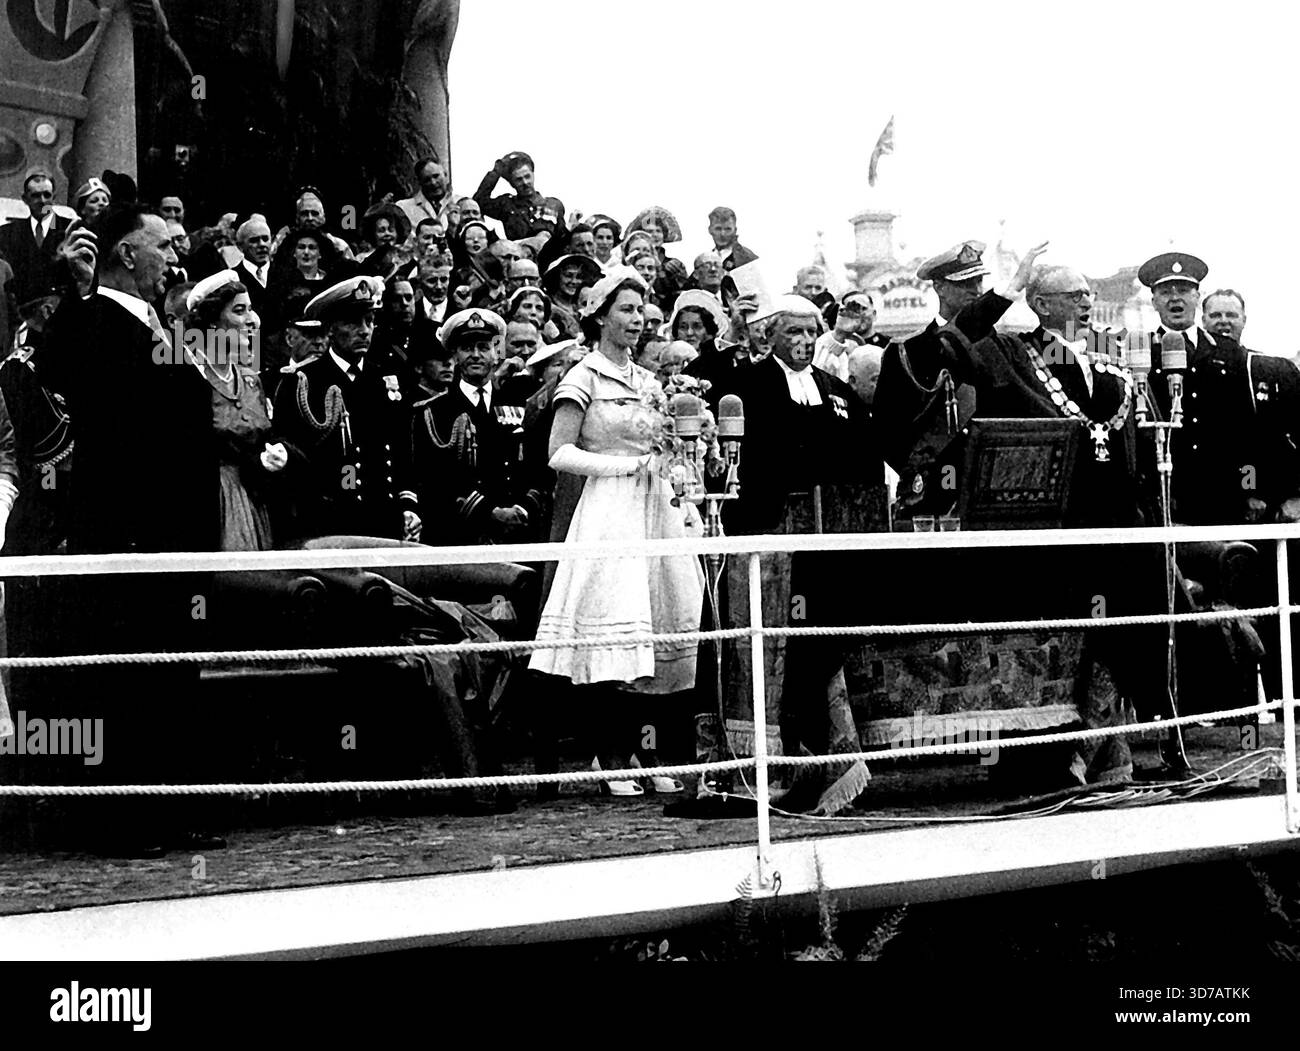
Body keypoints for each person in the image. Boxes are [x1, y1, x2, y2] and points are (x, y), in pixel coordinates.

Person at [875, 259, 1169, 783]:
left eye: (1087, 292)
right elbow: (945, 350)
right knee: (1057, 645)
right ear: (1040, 303)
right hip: (1051, 529)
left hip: (1118, 521)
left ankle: (1112, 747)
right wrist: (1000, 295)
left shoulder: (1113, 355)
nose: (1085, 302)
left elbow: (1136, 435)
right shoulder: (1007, 352)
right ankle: (1050, 759)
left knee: (1124, 633)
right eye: (1072, 293)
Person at [43, 205, 222, 855]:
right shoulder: (93, 318)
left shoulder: (165, 322)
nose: (176, 257)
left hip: (178, 533)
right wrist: (76, 287)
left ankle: (173, 805)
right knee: (125, 676)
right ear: (126, 254)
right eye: (163, 246)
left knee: (172, 672)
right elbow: (63, 371)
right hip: (125, 531)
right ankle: (121, 820)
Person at [528, 268, 702, 795]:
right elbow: (558, 453)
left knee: (669, 623)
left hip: (658, 511)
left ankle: (657, 760)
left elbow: (669, 445)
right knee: (615, 629)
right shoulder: (583, 376)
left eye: (641, 312)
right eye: (625, 310)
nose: (635, 321)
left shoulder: (650, 382)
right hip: (608, 511)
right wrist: (621, 467)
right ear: (600, 316)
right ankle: (613, 759)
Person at [1141, 255, 1300, 526]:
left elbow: (1251, 435)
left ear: (1196, 297)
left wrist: (1251, 488)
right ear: (1154, 301)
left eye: (1183, 291)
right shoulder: (1138, 351)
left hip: (1225, 499)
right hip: (1166, 498)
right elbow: (1064, 342)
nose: (1175, 299)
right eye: (1165, 292)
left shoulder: (1231, 354)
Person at [272, 275, 421, 542]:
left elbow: (403, 450)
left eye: (369, 321)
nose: (364, 330)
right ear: (330, 329)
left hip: (383, 516)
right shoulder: (302, 382)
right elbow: (292, 451)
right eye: (353, 322)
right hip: (327, 522)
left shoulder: (386, 379)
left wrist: (408, 505)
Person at [411, 308, 544, 544]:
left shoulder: (518, 404)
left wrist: (523, 510)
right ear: (454, 355)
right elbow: (433, 479)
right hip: (460, 533)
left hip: (517, 532)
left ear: (496, 352)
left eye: (483, 347)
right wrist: (489, 513)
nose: (475, 355)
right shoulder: (433, 412)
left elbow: (536, 466)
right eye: (466, 348)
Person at [183, 271, 286, 550]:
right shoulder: (191, 379)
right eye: (239, 311)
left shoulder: (251, 379)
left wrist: (273, 455)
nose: (252, 320)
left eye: (251, 310)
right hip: (209, 500)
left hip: (257, 497)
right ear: (212, 322)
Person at [473, 151, 566, 262]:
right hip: (519, 263)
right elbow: (478, 202)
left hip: (549, 263)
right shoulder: (506, 205)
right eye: (518, 180)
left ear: (533, 175)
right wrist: (496, 172)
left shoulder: (554, 205)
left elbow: (563, 239)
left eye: (527, 176)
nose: (525, 182)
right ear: (512, 184)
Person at [0, 173, 73, 308]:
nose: (42, 201)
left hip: (61, 311)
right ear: (25, 199)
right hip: (22, 313)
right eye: (35, 195)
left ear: (54, 197)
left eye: (47, 195)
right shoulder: (7, 234)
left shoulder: (69, 229)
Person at [814, 289, 882, 381]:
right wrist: (839, 335)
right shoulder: (827, 347)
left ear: (874, 313)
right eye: (851, 309)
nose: (860, 313)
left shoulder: (887, 346)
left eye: (863, 309)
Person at [542, 254, 601, 340]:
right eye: (568, 275)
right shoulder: (547, 307)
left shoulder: (583, 304)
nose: (574, 281)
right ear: (556, 276)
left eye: (579, 277)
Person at [396, 154, 454, 231]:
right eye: (427, 180)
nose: (433, 182)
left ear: (445, 174)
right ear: (419, 182)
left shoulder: (461, 205)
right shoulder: (404, 208)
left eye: (436, 176)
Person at [707, 205, 758, 272]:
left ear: (735, 230)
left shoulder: (747, 258)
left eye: (728, 229)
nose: (723, 234)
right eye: (718, 229)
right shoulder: (706, 259)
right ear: (710, 230)